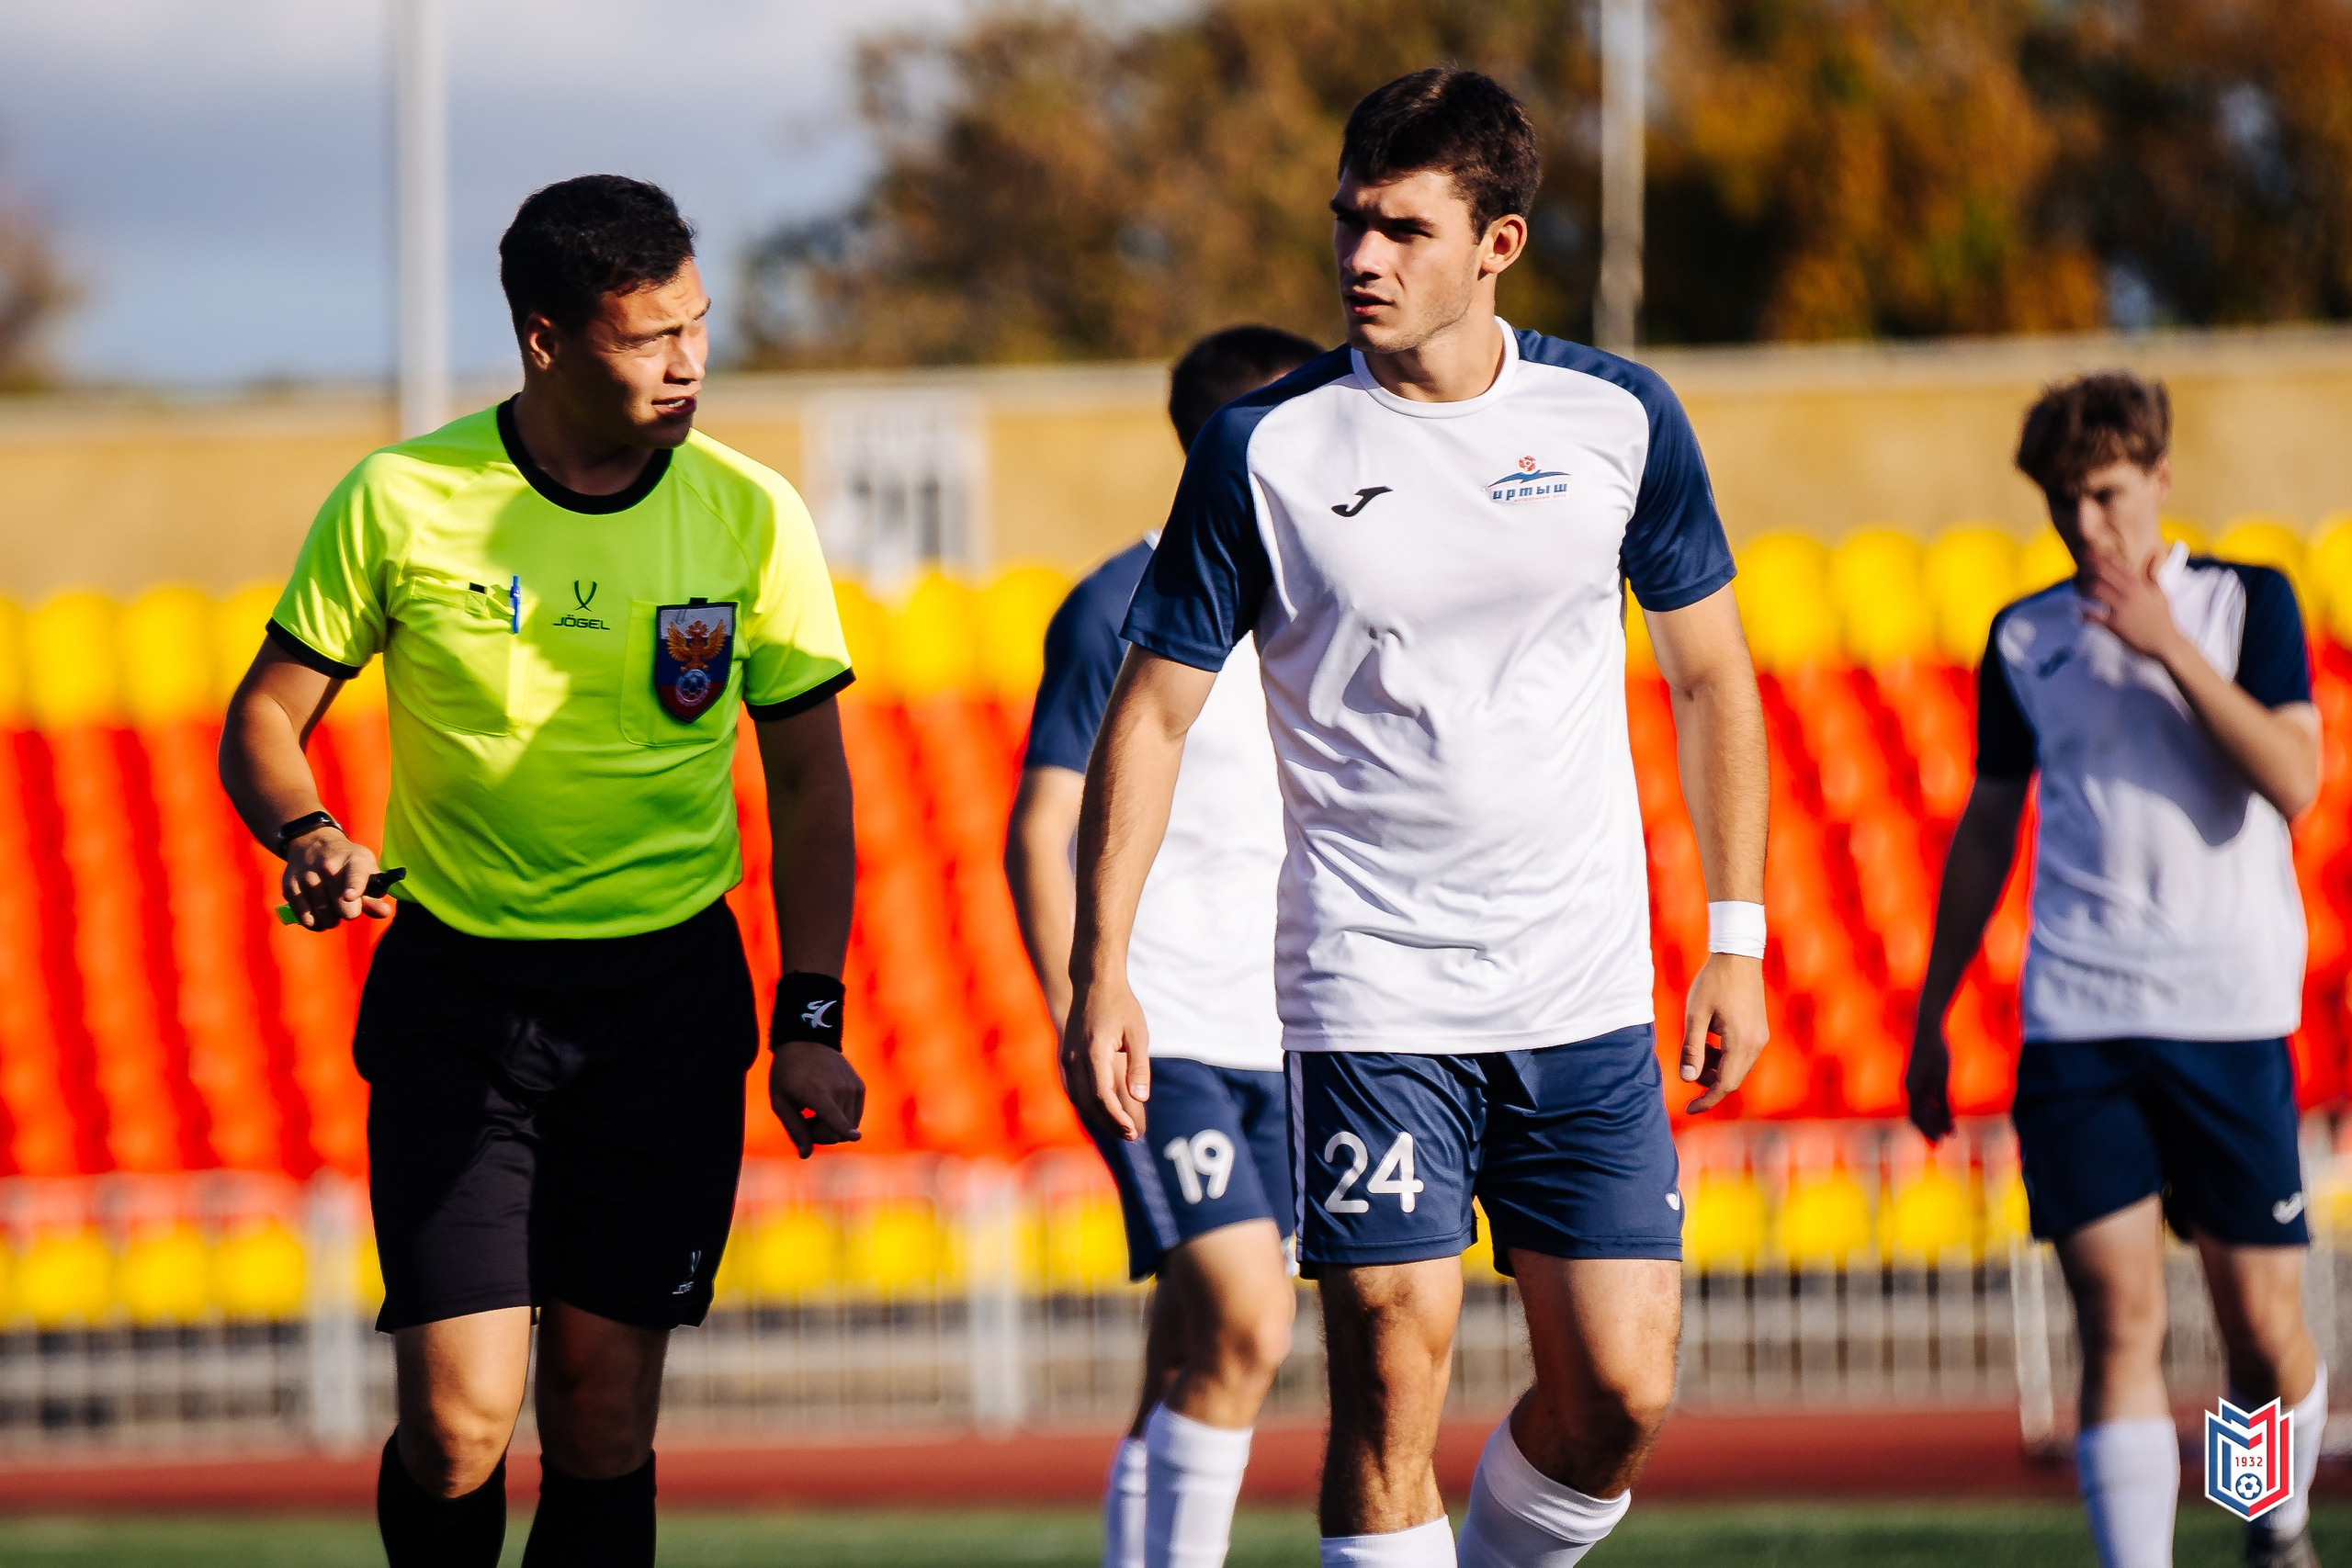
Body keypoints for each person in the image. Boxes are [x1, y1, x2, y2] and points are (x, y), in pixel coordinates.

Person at [1062, 69, 1770, 1568]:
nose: (1361, 257)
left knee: (1622, 1397)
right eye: (1348, 222)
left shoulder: (1618, 417)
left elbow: (1711, 676)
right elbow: (1153, 716)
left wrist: (1737, 939)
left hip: (1580, 992)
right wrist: (1100, 965)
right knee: (1391, 1379)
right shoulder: (1263, 449)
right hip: (1371, 991)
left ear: (1499, 244)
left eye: (1401, 228)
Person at [218, 175, 864, 1568]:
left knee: (600, 1417)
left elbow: (813, 786)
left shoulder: (753, 514)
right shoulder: (399, 497)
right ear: (546, 340)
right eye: (650, 336)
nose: (689, 361)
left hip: (665, 1009)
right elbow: (264, 715)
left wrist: (810, 1015)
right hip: (460, 1004)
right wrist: (309, 830)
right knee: (460, 1426)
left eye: (698, 324)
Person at [1908, 372, 2328, 1568]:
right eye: (2064, 503)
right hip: (2079, 1017)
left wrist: (2167, 648)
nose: (2086, 525)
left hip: (2228, 1013)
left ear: (2158, 480)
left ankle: (2271, 1523)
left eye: (2105, 495)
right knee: (2119, 1322)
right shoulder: (2022, 636)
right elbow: (1987, 829)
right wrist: (1933, 1012)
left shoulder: (2246, 601)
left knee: (2260, 1332)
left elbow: (2295, 780)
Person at [1008, 324, 1321, 1568]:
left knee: (1194, 1345)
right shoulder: (1119, 602)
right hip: (1168, 1032)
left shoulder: (1321, 600)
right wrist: (1082, 1002)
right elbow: (1041, 826)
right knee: (1250, 1327)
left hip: (1288, 1033)